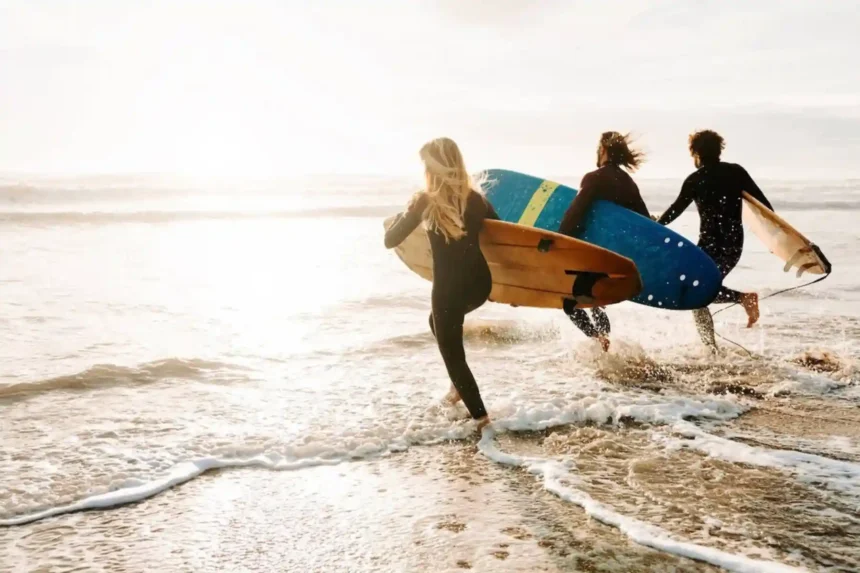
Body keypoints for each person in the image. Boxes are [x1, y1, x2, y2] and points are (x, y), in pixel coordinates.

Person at [384, 137, 498, 429]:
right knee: (436, 322)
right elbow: (504, 239)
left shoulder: (425, 200)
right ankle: (457, 387)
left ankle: (483, 422)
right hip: (479, 286)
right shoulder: (477, 200)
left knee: (454, 356)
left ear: (433, 167)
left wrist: (406, 213)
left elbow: (391, 240)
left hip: (449, 290)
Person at [656, 130, 774, 349]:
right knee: (696, 292)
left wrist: (656, 225)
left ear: (695, 152)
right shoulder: (735, 172)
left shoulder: (695, 180)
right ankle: (712, 344)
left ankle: (715, 341)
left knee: (696, 293)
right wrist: (777, 240)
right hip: (733, 244)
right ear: (719, 150)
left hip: (709, 246)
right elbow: (764, 206)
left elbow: (675, 210)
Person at [557, 132, 652, 352]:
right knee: (596, 301)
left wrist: (559, 240)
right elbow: (645, 221)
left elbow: (575, 213)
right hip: (615, 257)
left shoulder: (594, 177)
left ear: (603, 150)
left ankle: (599, 339)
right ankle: (605, 343)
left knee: (569, 301)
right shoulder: (628, 183)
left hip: (591, 252)